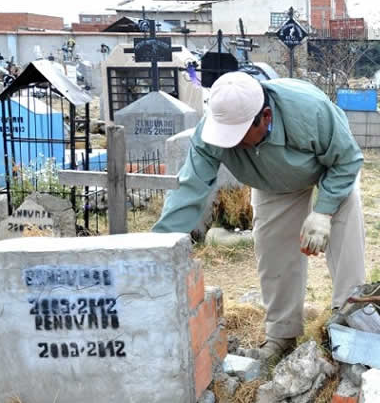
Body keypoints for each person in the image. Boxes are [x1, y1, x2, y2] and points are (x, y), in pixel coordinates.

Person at [152, 71, 366, 360]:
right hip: (272, 184)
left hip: (332, 171)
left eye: (239, 135)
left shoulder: (310, 110)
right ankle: (282, 335)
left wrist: (323, 211)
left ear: (265, 116)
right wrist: (157, 251)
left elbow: (347, 160)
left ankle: (349, 320)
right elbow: (189, 190)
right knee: (272, 250)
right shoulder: (212, 132)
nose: (232, 143)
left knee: (346, 235)